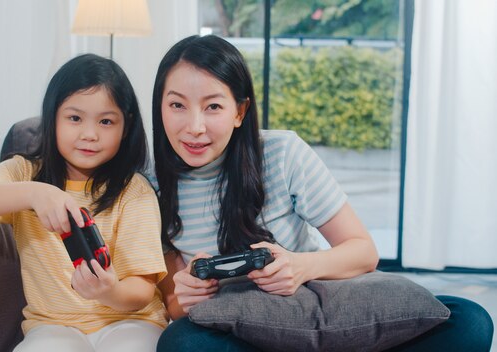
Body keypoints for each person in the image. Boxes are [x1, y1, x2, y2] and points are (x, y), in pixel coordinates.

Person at [151, 35, 494, 351]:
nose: (194, 127)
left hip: (318, 311)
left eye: (213, 107)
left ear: (240, 111)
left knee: (469, 320)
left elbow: (363, 252)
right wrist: (192, 292)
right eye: (177, 106)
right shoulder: (151, 183)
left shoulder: (281, 153)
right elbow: (176, 307)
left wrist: (300, 266)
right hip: (243, 329)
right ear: (160, 107)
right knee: (181, 343)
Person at [0, 54, 168, 352]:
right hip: (52, 326)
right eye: (74, 118)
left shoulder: (134, 190)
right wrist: (36, 193)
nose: (90, 135)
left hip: (132, 321)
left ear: (125, 128)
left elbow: (141, 291)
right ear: (52, 119)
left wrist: (108, 291)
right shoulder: (23, 172)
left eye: (106, 121)